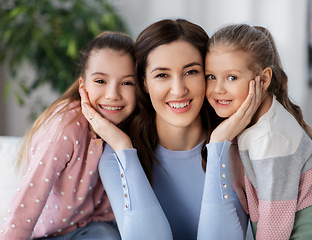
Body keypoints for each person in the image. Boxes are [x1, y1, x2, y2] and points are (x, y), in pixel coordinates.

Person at [80, 19, 262, 240]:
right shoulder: (115, 157)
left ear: (208, 76)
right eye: (162, 75)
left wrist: (218, 146)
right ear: (144, 82)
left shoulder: (238, 149)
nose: (178, 90)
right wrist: (123, 148)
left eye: (191, 72)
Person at [0, 31, 137, 239]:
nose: (112, 95)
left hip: (95, 227)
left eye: (127, 83)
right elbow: (26, 202)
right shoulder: (65, 128)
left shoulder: (133, 124)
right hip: (49, 234)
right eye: (100, 81)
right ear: (83, 86)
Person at [205, 23, 312, 240]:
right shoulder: (254, 121)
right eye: (211, 76)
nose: (218, 88)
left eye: (232, 77)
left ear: (264, 79)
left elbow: (274, 220)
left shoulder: (270, 137)